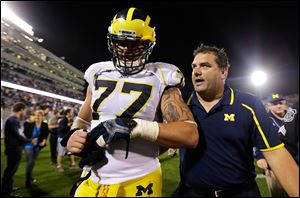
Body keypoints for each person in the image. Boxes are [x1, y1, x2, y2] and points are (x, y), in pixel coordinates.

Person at [65, 7, 198, 197]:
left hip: (140, 179)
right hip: (91, 176)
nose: (126, 49)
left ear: (149, 44)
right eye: (120, 42)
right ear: (112, 40)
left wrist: (136, 127)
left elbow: (189, 134)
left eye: (135, 44)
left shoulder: (162, 76)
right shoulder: (97, 72)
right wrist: (74, 134)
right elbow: (83, 121)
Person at [173, 44, 299, 197]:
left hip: (240, 193)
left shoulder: (248, 104)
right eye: (194, 67)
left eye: (205, 66)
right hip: (191, 193)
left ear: (223, 72)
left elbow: (275, 153)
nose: (196, 72)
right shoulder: (181, 104)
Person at [254, 93, 289, 197]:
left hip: (294, 159)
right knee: (278, 193)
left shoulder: (293, 117)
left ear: (285, 104)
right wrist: (260, 157)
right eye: (274, 104)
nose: (278, 106)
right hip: (274, 163)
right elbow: (257, 138)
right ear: (269, 105)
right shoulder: (265, 120)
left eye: (280, 103)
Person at [1, 102, 34, 196]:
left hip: (13, 148)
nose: (25, 112)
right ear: (21, 109)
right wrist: (29, 140)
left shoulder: (13, 120)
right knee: (10, 171)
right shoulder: (13, 120)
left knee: (11, 171)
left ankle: (8, 188)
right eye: (24, 110)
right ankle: (6, 192)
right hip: (14, 149)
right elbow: (17, 135)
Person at [23, 110, 49, 188]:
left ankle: (30, 177)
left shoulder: (44, 125)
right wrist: (29, 139)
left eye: (39, 115)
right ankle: (27, 181)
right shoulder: (29, 124)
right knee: (30, 161)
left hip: (37, 146)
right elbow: (23, 133)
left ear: (42, 117)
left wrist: (44, 141)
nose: (37, 117)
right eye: (36, 115)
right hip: (28, 146)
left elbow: (45, 134)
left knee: (32, 163)